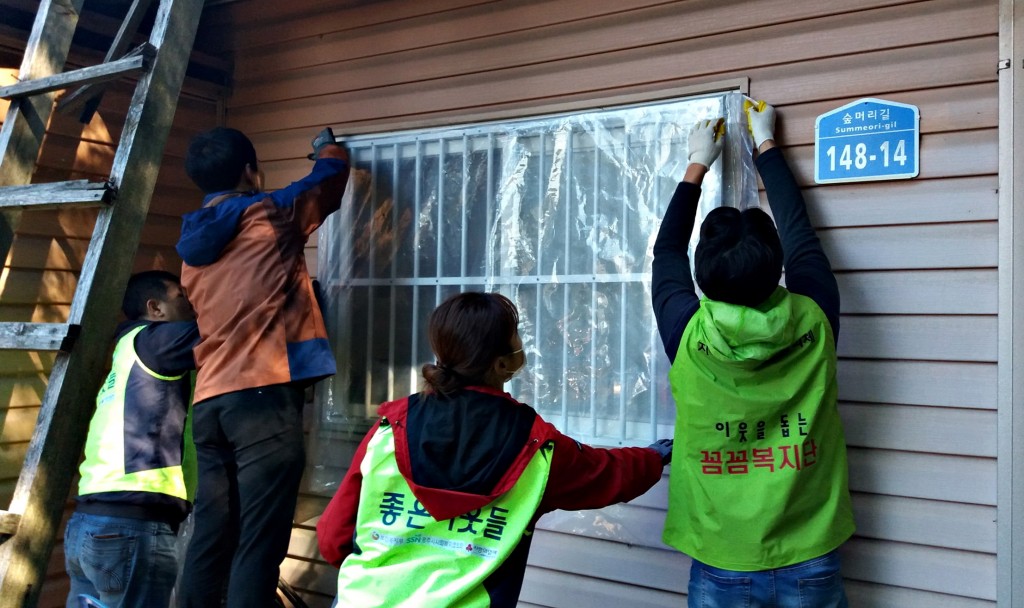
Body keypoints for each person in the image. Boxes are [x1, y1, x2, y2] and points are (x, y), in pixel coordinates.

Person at [316, 291, 673, 608]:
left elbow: (334, 539)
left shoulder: (390, 428)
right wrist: (655, 455)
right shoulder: (535, 445)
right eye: (516, 337)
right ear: (501, 364)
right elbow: (606, 472)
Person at [652, 103, 855, 607]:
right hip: (811, 550)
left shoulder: (686, 329)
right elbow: (801, 235)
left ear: (703, 277)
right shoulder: (815, 318)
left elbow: (666, 253)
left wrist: (697, 164)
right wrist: (765, 145)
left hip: (721, 555)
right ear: (777, 267)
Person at [174, 126, 350, 607]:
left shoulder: (192, 245)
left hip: (210, 401)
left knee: (211, 536)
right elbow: (329, 179)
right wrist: (326, 149)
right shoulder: (268, 213)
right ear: (252, 171)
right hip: (262, 398)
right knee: (259, 541)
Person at [64, 270, 199, 608]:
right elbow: (228, 330)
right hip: (131, 527)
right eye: (182, 298)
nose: (193, 304)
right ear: (155, 309)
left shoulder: (128, 349)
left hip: (87, 525)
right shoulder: (157, 341)